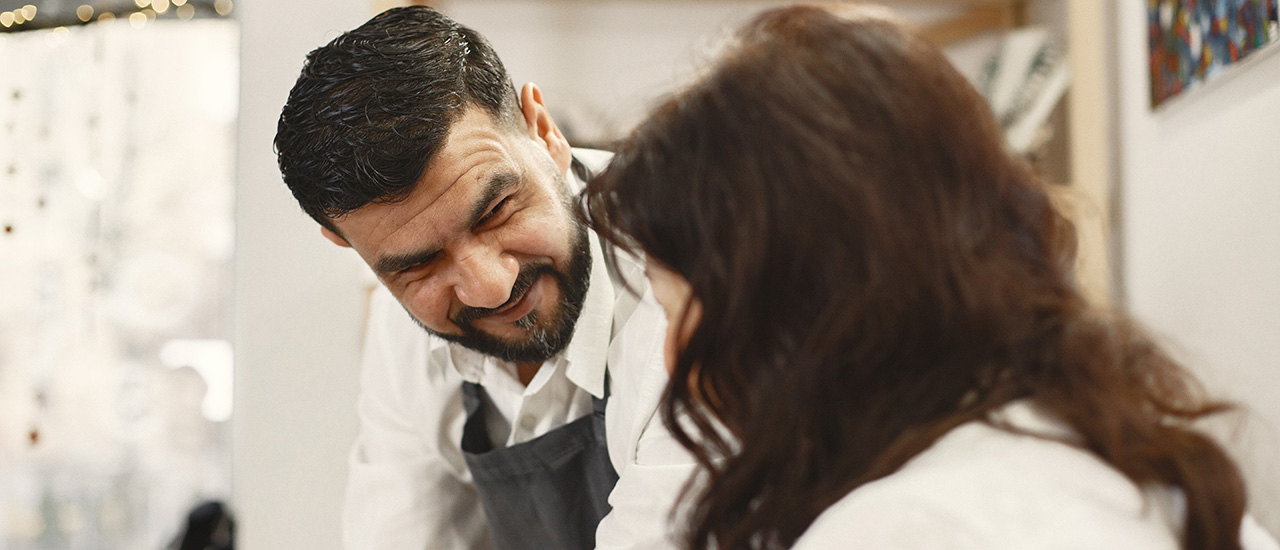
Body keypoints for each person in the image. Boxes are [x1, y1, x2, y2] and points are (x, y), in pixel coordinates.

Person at [582, 5, 1280, 550]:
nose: (671, 360)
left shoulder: (907, 526)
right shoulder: (1108, 442)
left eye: (677, 307)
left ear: (799, 288)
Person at [274, 7, 690, 550]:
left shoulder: (688, 275)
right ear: (350, 247)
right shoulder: (400, 335)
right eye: (420, 264)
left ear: (545, 133)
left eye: (496, 210)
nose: (490, 286)